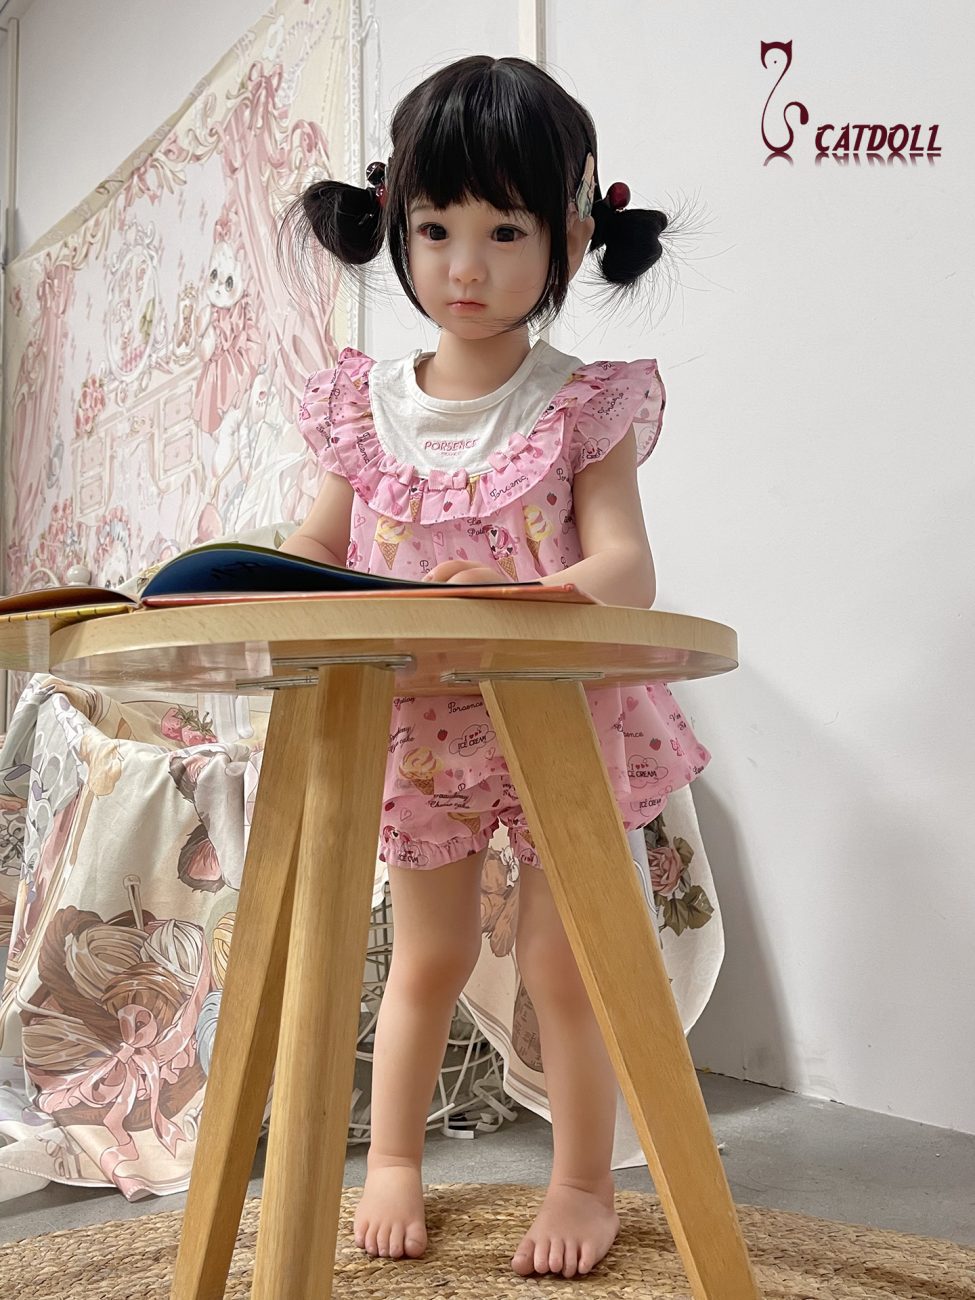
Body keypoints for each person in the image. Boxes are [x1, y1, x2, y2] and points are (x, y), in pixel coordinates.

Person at [275, 54, 711, 1281]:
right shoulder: (360, 408)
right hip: (417, 727)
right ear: (393, 225)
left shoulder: (581, 405)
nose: (465, 267)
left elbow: (625, 568)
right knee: (429, 956)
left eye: (505, 231)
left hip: (558, 718)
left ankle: (582, 1182)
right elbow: (315, 544)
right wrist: (269, 571)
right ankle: (394, 1159)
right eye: (435, 229)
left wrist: (518, 599)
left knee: (566, 967)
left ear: (571, 234)